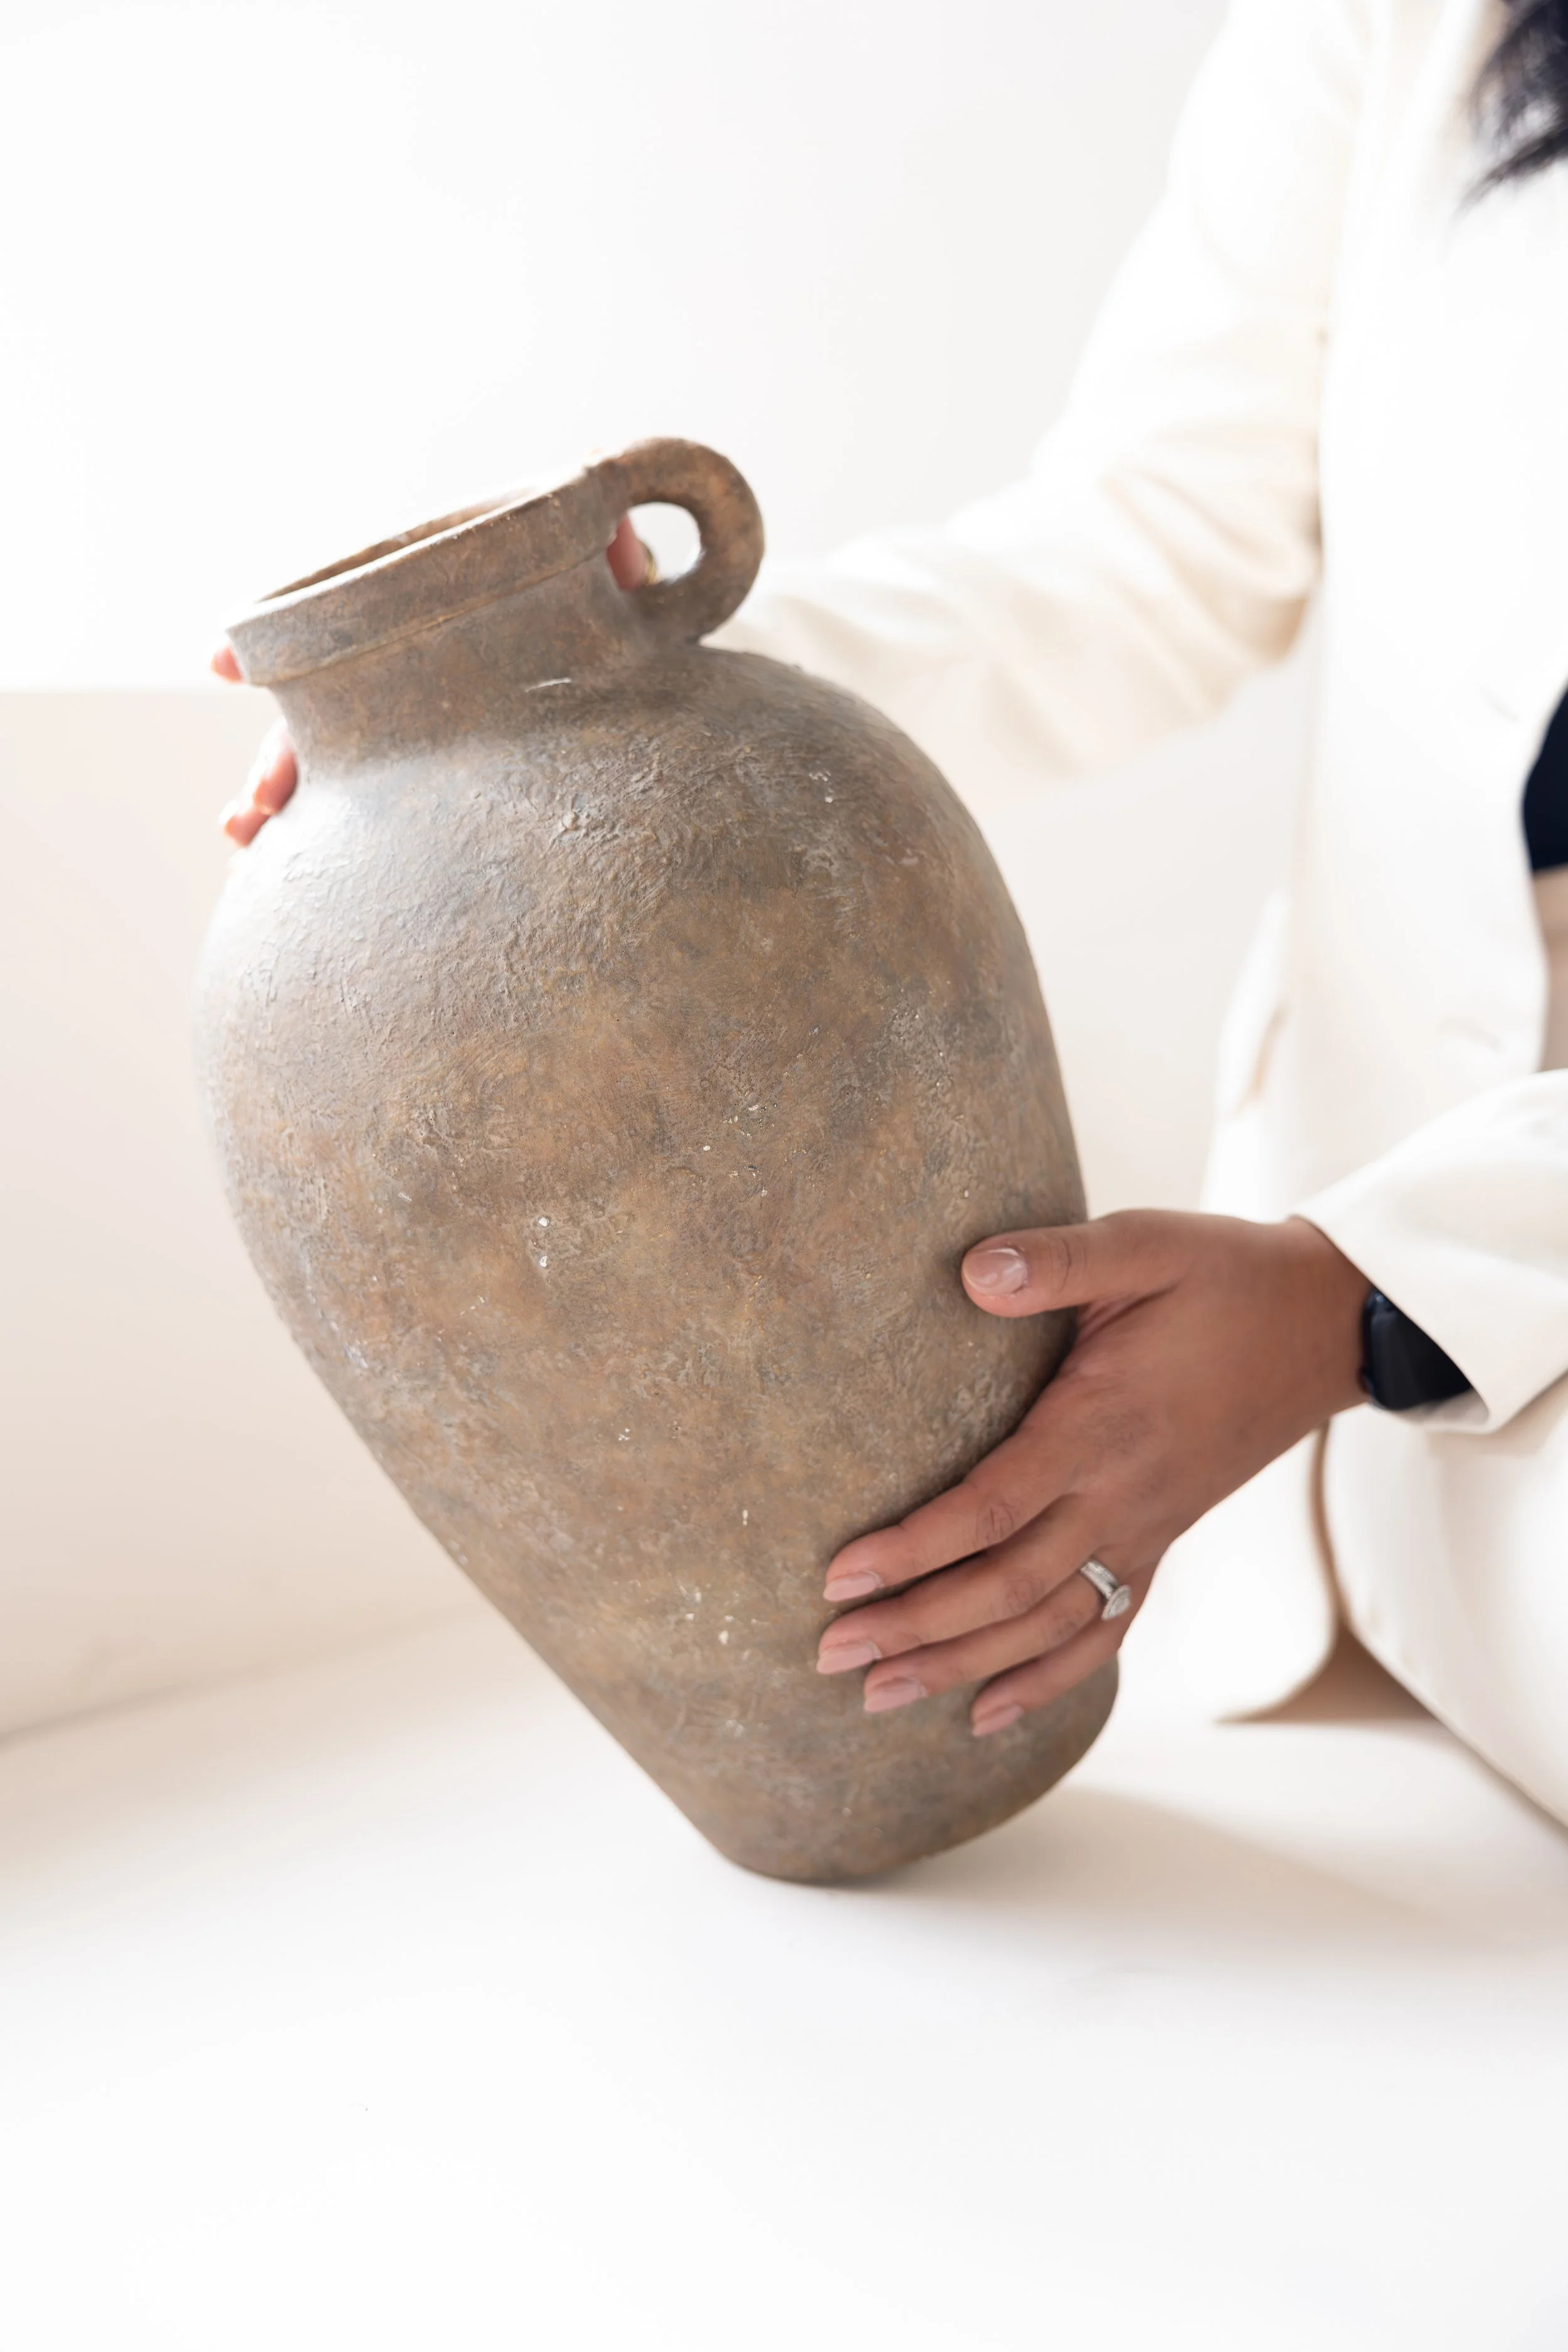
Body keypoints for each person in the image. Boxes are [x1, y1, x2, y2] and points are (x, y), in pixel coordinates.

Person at [215, 0, 1568, 1819]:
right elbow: (1147, 548)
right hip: (1359, 1301)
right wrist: (576, 711)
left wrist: (1370, 1295)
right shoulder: (1407, 25)